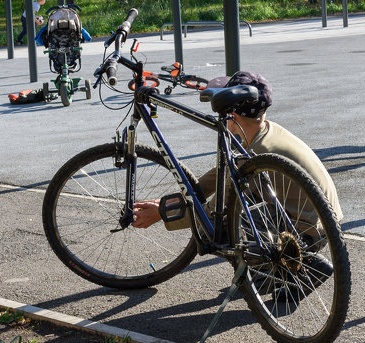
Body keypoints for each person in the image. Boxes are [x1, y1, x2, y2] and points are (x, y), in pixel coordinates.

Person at [131, 71, 342, 229]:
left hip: (307, 233)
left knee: (224, 226)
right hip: (327, 223)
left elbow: (214, 212)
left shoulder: (254, 155)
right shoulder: (268, 132)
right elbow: (217, 176)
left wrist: (161, 213)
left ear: (231, 116)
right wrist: (176, 199)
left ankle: (269, 280)